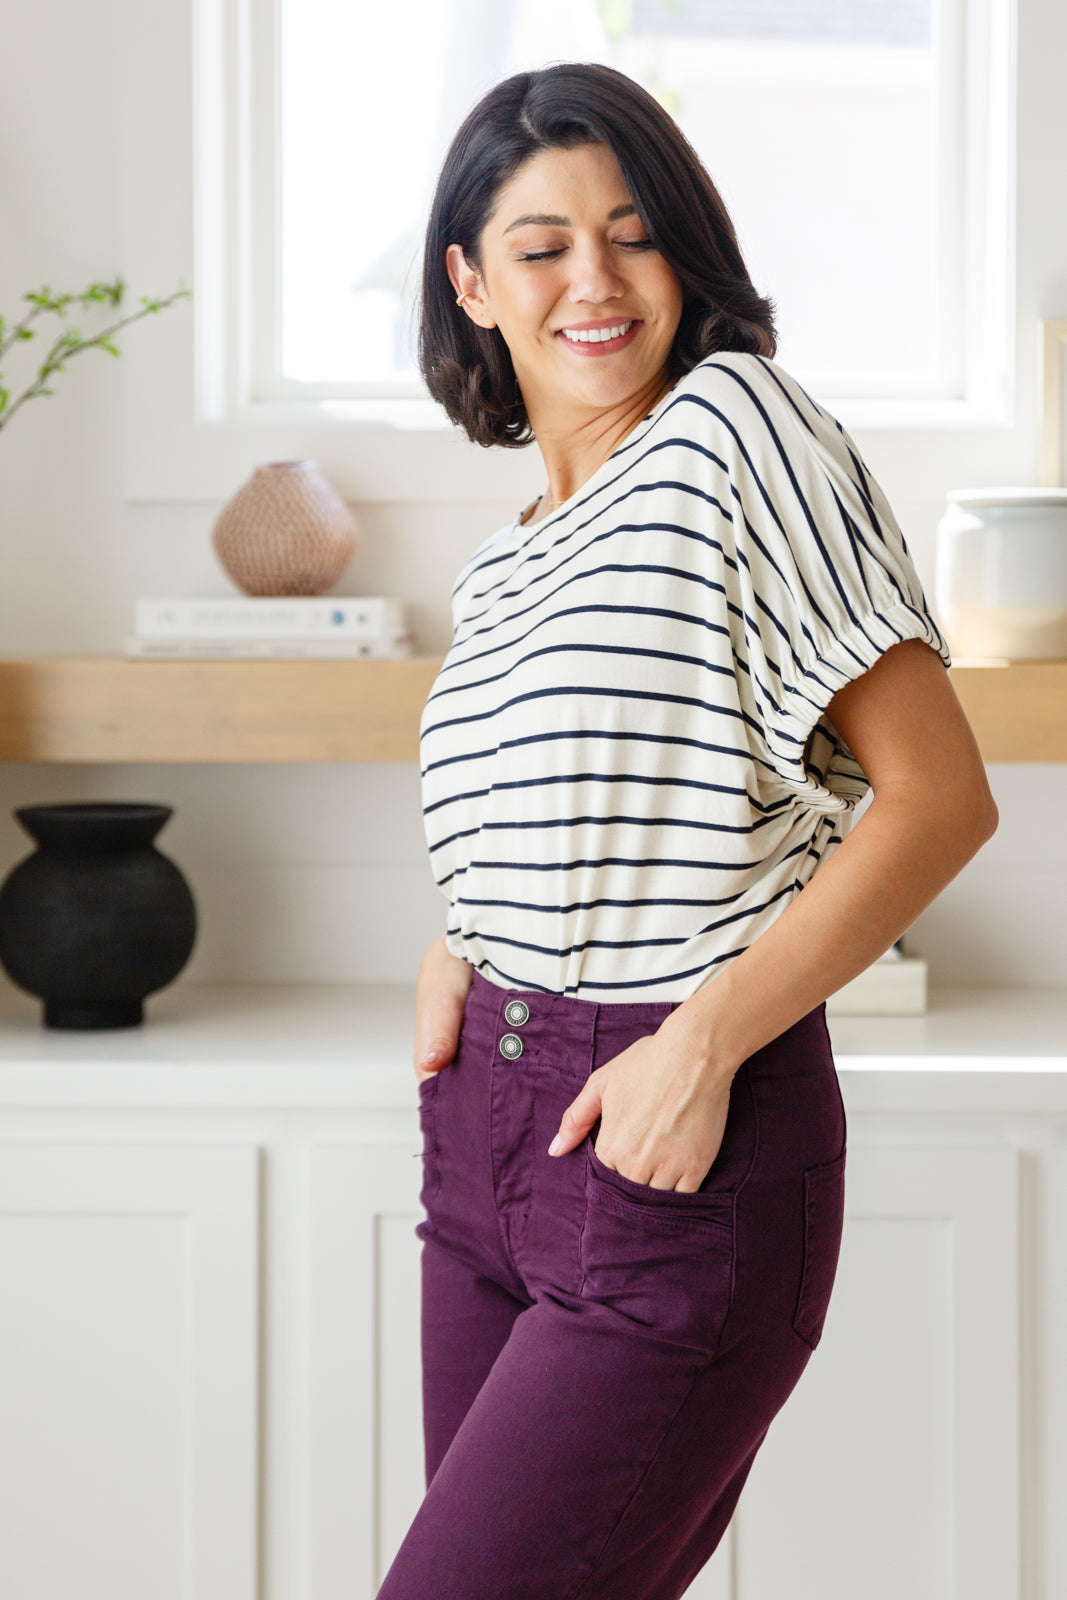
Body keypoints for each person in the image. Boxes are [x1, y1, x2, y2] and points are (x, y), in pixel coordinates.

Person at [378, 61, 998, 1600]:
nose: (595, 280)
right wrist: (468, 940)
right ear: (470, 285)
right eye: (541, 246)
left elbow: (939, 798)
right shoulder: (508, 561)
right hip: (485, 1148)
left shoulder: (735, 430)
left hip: (670, 1140)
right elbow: (605, 789)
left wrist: (701, 1047)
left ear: (687, 253)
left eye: (634, 234)